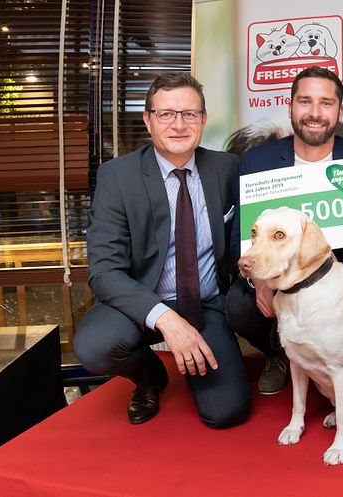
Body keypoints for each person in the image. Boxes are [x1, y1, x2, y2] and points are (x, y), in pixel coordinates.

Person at [74, 73, 251, 427]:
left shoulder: (228, 168)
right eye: (166, 114)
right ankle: (150, 377)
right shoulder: (117, 177)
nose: (178, 124)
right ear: (148, 119)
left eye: (189, 114)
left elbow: (244, 237)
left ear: (203, 119)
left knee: (226, 412)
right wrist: (167, 320)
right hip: (139, 302)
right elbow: (104, 271)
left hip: (206, 304)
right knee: (97, 345)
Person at [226, 66, 343, 395]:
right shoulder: (257, 161)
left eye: (326, 103)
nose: (314, 113)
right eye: (305, 102)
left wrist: (326, 281)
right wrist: (262, 280)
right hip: (277, 275)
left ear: (340, 111)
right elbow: (241, 238)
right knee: (238, 306)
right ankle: (281, 353)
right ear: (290, 106)